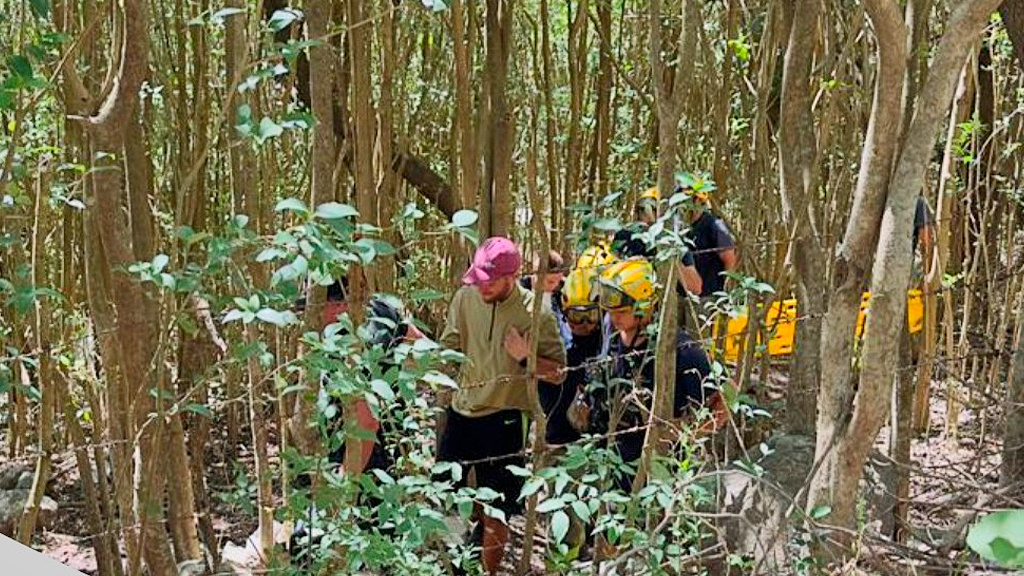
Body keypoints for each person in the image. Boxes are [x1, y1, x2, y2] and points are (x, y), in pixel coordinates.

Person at [438, 236, 568, 576]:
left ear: (513, 276)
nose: (482, 287)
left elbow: (559, 373)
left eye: (490, 281)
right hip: (461, 412)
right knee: (446, 496)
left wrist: (526, 356)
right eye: (478, 279)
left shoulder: (536, 311)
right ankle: (456, 565)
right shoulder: (466, 297)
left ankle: (487, 572)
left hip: (505, 419)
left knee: (497, 507)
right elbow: (448, 346)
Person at [588, 259, 716, 491]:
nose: (614, 318)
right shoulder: (613, 339)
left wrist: (685, 432)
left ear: (645, 306)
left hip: (657, 474)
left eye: (622, 312)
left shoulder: (680, 350)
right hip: (610, 465)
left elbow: (724, 401)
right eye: (609, 312)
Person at [681, 188, 738, 297]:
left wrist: (726, 293)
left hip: (709, 296)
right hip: (687, 294)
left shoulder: (715, 225)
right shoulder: (683, 228)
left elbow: (729, 259)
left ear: (697, 200)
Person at [520, 249, 572, 345]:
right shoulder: (521, 293)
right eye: (551, 282)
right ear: (536, 275)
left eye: (558, 281)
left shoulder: (560, 292)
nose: (555, 286)